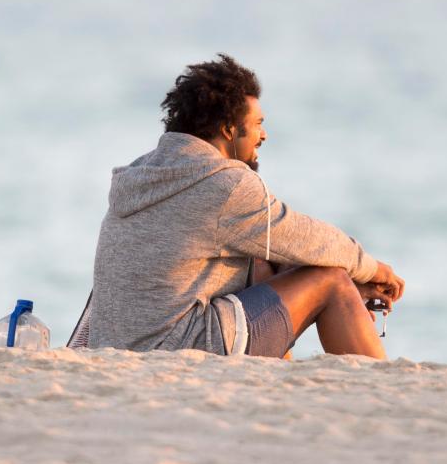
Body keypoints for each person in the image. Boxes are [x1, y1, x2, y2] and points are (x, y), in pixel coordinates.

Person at [88, 54, 405, 360]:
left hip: (115, 346)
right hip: (178, 348)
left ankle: (277, 385)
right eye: (257, 124)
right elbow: (309, 238)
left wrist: (354, 280)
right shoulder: (225, 183)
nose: (263, 135)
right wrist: (374, 270)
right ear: (228, 130)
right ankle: (385, 394)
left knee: (265, 259)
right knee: (332, 281)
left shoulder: (143, 173)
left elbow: (285, 249)